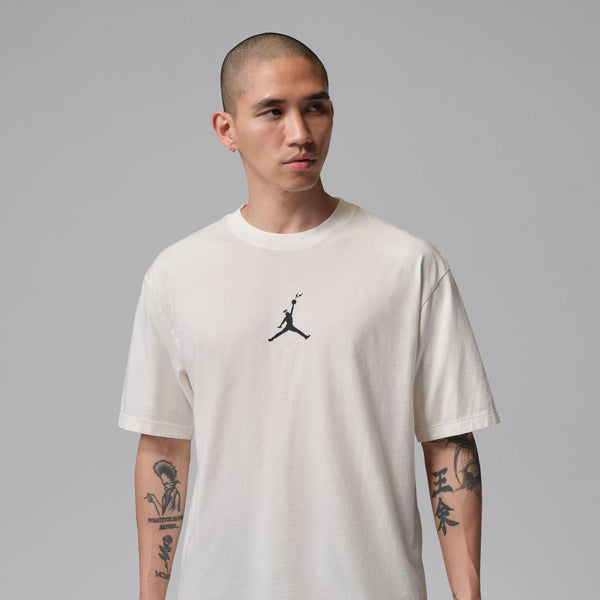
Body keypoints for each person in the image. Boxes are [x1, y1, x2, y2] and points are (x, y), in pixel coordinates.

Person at [118, 31, 500, 600]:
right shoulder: (176, 275)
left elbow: (449, 443)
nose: (300, 133)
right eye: (272, 111)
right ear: (226, 129)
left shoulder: (409, 265)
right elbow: (163, 449)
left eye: (315, 107)